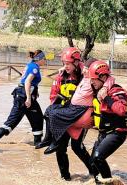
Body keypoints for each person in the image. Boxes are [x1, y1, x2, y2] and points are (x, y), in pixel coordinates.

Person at [37, 48, 96, 181]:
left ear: (76, 62)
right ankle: (65, 178)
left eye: (68, 63)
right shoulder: (61, 76)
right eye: (63, 63)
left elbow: (98, 68)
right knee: (60, 148)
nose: (65, 66)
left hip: (79, 117)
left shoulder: (86, 74)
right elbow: (53, 96)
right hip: (63, 117)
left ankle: (94, 173)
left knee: (77, 147)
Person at [88, 60, 127, 182]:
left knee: (98, 158)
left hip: (117, 132)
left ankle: (109, 183)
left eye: (93, 79)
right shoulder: (99, 88)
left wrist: (106, 98)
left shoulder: (116, 91)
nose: (91, 81)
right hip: (104, 133)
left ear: (103, 77)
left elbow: (121, 110)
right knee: (92, 164)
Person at [0, 50, 45, 146]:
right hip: (24, 97)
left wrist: (35, 92)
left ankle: (38, 142)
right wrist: (28, 98)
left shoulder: (31, 65)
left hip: (24, 95)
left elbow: (29, 82)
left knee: (37, 118)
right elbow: (27, 82)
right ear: (39, 59)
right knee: (14, 120)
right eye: (44, 58)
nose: (45, 60)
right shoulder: (35, 67)